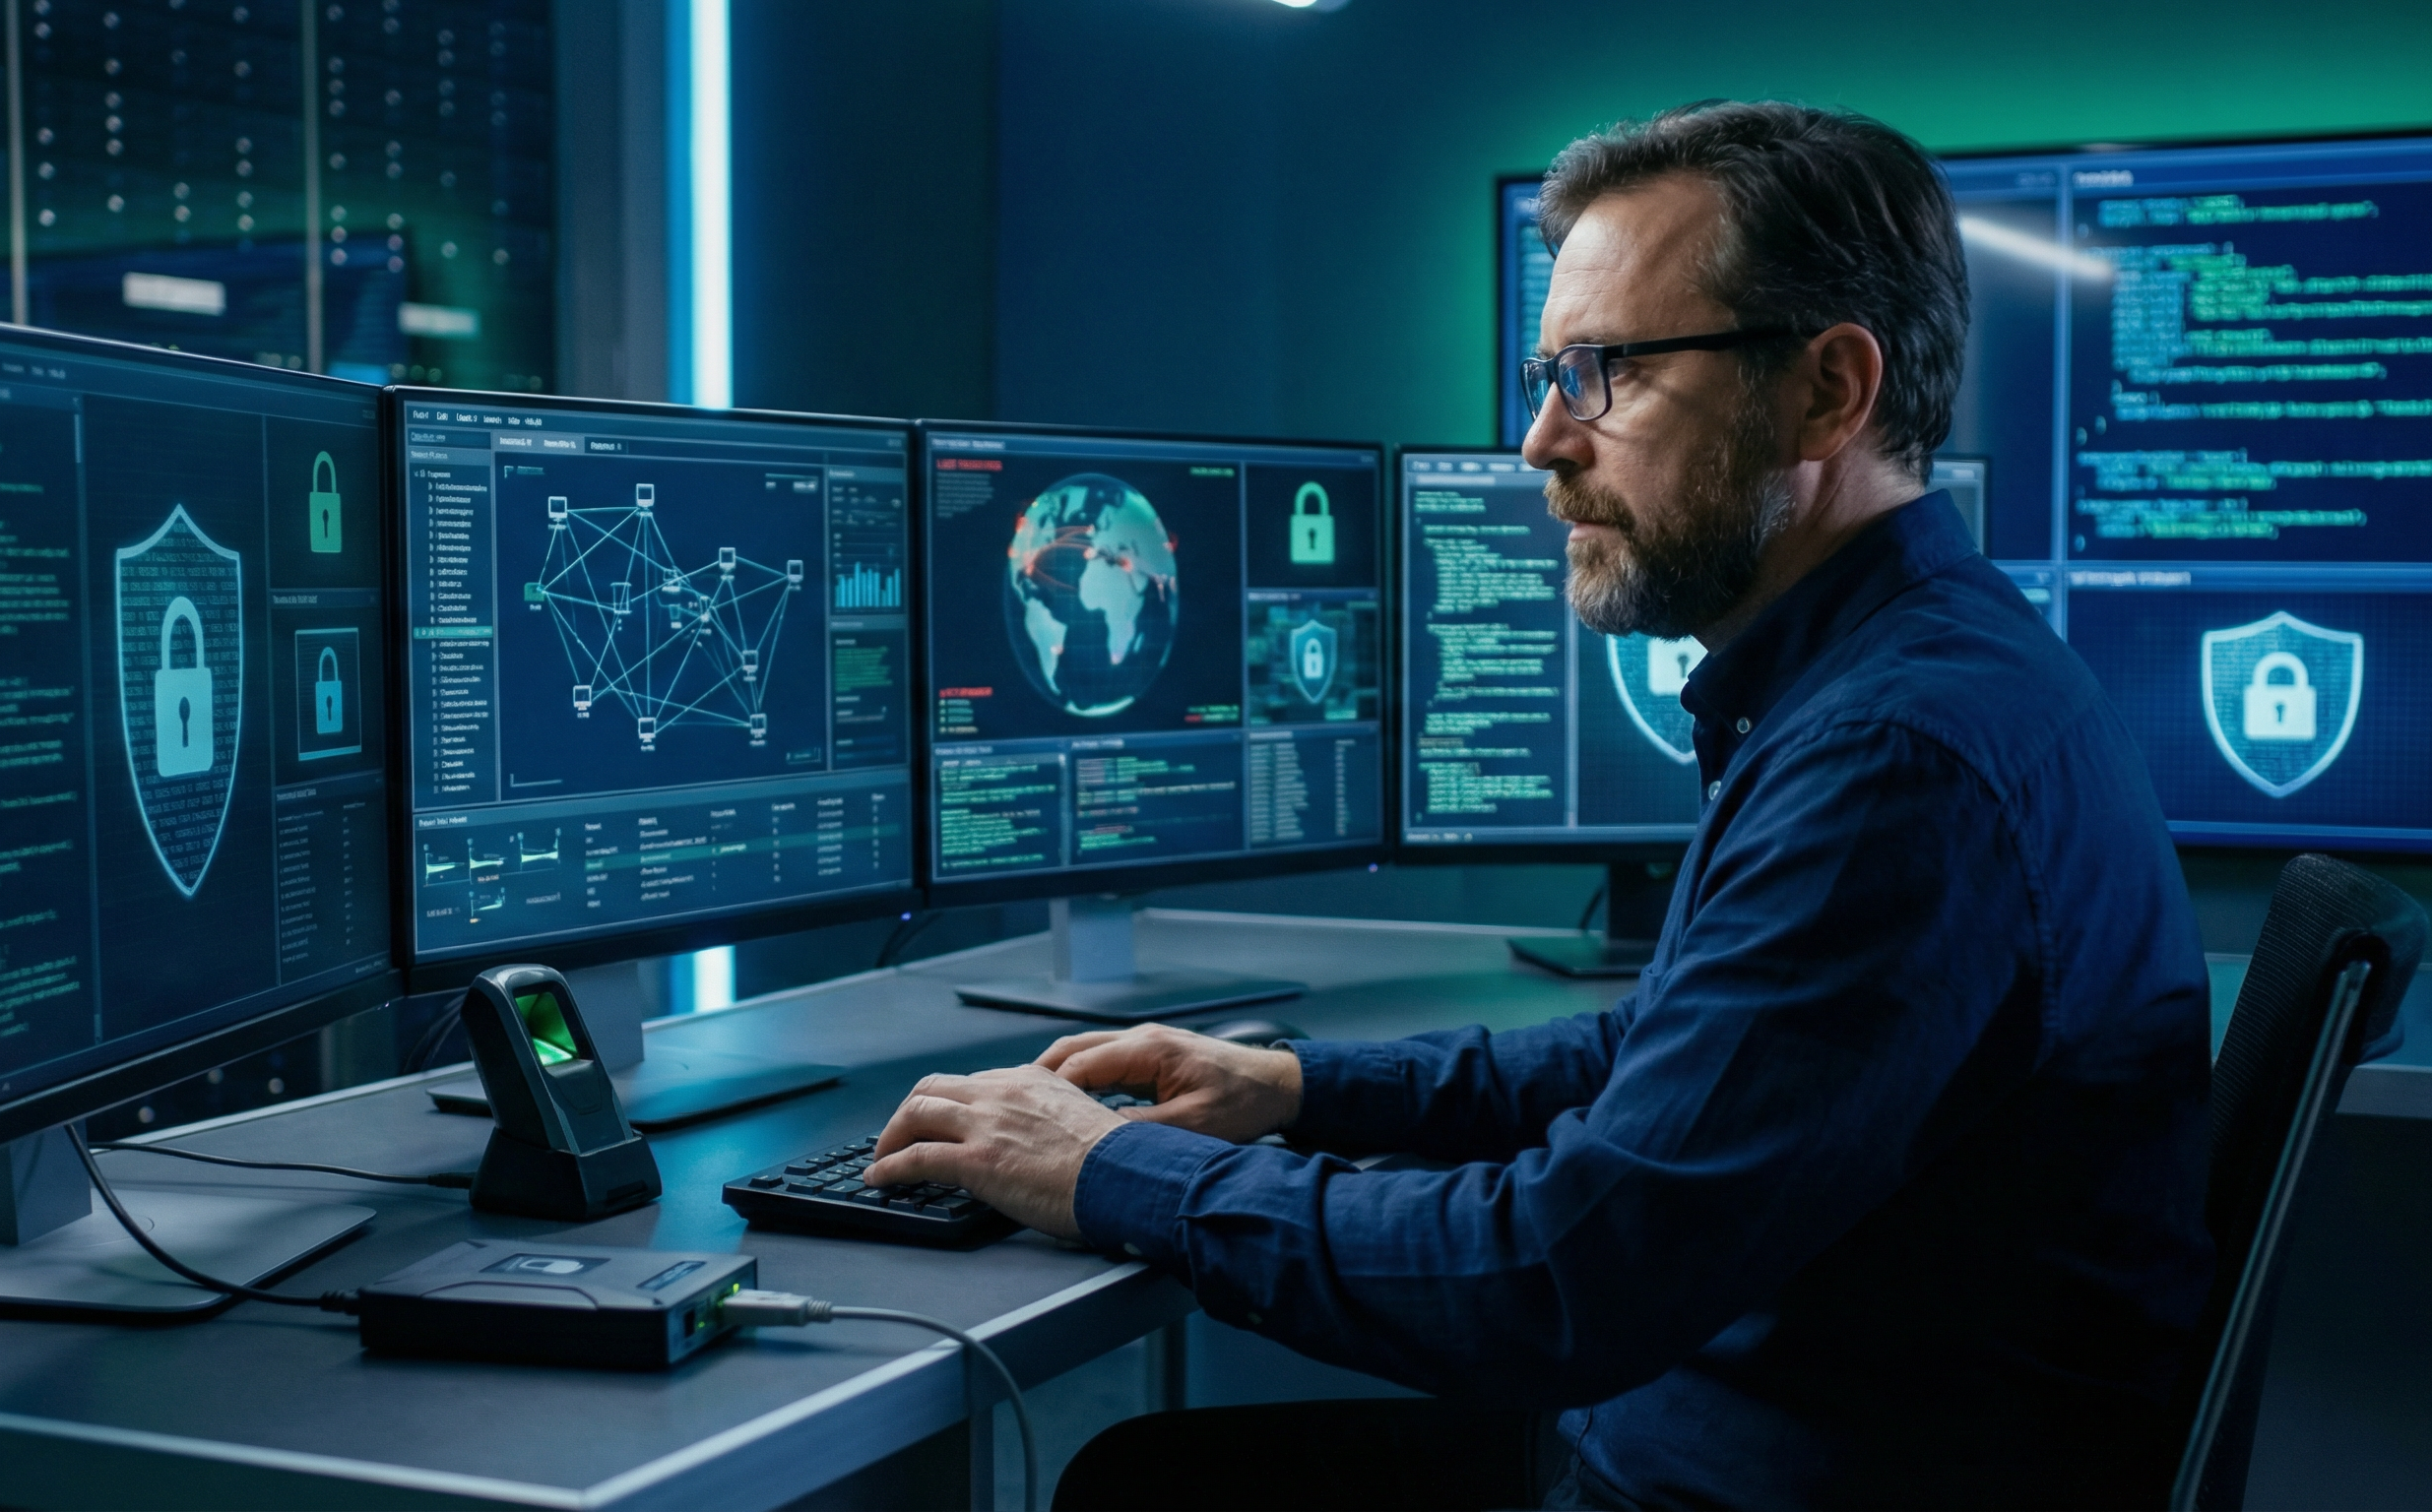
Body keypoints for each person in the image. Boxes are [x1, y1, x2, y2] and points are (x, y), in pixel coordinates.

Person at [866, 99, 2213, 1510]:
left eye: (1605, 372)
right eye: (1548, 373)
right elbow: (1675, 1054)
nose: (1541, 440)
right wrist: (1300, 1087)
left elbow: (1558, 1278)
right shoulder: (1909, 674)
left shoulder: (1898, 760)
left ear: (1828, 390)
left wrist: (1110, 1168)